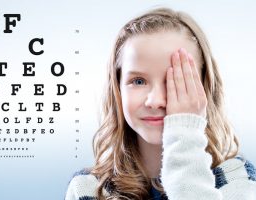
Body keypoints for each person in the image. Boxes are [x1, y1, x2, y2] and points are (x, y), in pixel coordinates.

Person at [65, 7, 256, 200]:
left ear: (204, 87)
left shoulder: (237, 179)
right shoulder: (88, 189)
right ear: (118, 89)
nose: (155, 101)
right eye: (138, 81)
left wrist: (184, 130)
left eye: (174, 81)